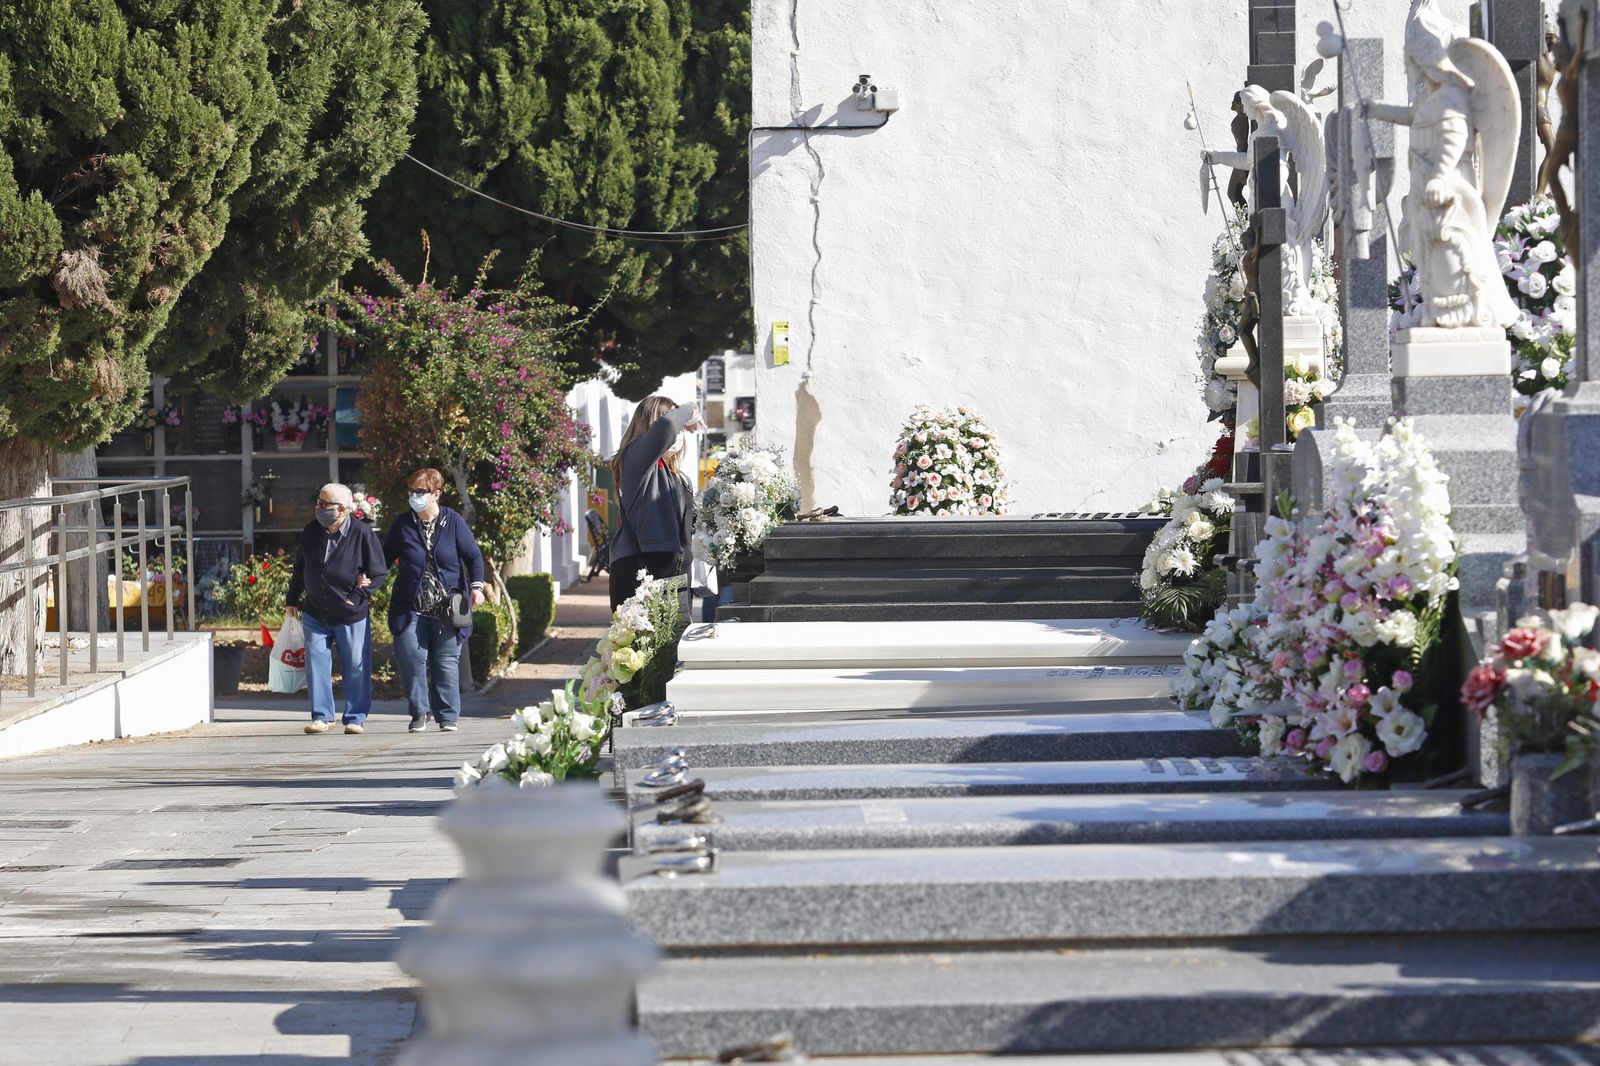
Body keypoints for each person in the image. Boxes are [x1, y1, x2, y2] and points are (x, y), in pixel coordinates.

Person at [384, 468, 487, 733]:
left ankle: (448, 715)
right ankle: (419, 712)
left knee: (445, 663)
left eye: (421, 492)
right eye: (412, 491)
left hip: (447, 609)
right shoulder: (403, 524)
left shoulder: (452, 521)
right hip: (410, 608)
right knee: (411, 660)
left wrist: (476, 587)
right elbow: (382, 559)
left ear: (436, 493)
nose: (414, 496)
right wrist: (364, 578)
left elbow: (473, 556)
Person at [286, 483, 388, 735]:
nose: (318, 508)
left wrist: (357, 596)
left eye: (324, 504)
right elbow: (300, 567)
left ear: (342, 509)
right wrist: (292, 599)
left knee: (355, 664)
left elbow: (378, 573)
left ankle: (355, 717)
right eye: (318, 502)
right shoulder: (311, 531)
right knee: (316, 663)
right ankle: (322, 716)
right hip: (315, 610)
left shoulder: (363, 533)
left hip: (350, 613)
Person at [608, 396, 702, 609]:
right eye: (678, 425)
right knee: (643, 641)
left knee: (672, 641)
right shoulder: (636, 458)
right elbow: (667, 427)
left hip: (672, 571)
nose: (679, 431)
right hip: (641, 568)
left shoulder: (672, 474)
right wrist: (689, 410)